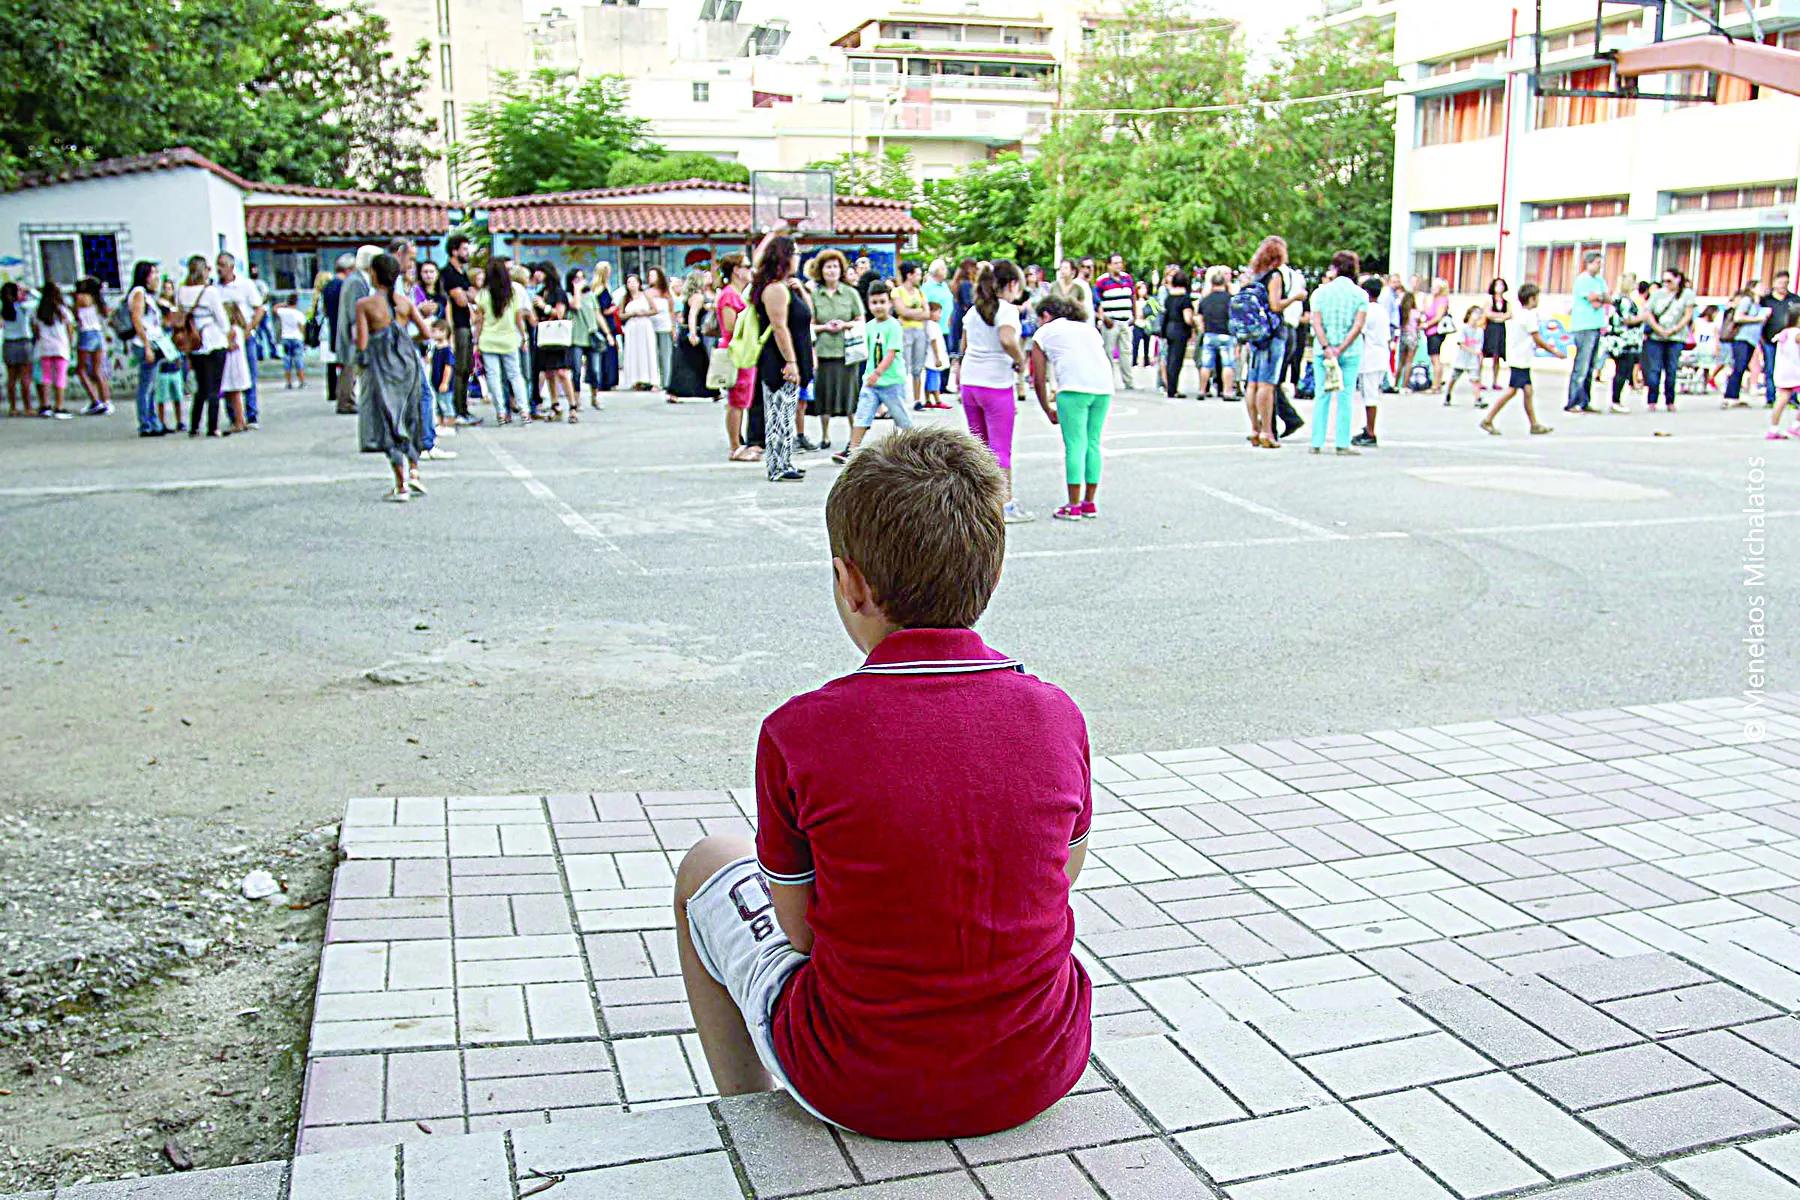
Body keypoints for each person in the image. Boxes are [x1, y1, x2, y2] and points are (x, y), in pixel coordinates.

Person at [672, 424, 1093, 1140]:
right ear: (992, 574)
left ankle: (747, 1111)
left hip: (859, 1083)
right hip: (1038, 1065)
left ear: (851, 582)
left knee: (707, 862)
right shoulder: (1056, 714)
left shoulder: (798, 732)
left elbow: (799, 934)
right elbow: (1060, 876)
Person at [960, 260, 1032, 524]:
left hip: (970, 382)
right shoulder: (1007, 310)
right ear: (1011, 284)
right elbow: (1007, 339)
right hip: (996, 384)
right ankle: (1005, 504)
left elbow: (964, 345)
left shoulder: (973, 311)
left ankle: (981, 502)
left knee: (978, 447)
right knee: (1000, 448)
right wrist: (1020, 360)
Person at [1030, 294, 1113, 521]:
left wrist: (1047, 407)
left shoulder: (1044, 332)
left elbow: (1038, 377)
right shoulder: (1089, 329)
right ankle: (1089, 502)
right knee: (1093, 442)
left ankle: (1073, 504)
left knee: (1075, 444)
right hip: (1104, 387)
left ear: (1045, 315)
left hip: (1073, 389)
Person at [355, 253, 430, 501]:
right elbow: (426, 332)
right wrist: (406, 341)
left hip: (381, 367)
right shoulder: (405, 302)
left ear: (373, 274)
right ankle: (415, 472)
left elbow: (363, 343)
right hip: (407, 364)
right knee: (411, 416)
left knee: (389, 420)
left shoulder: (365, 305)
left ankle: (401, 483)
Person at [751, 233, 811, 483]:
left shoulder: (787, 287)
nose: (798, 258)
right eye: (795, 253)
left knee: (785, 411)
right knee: (778, 412)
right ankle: (777, 464)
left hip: (789, 358)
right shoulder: (774, 289)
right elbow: (779, 327)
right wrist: (791, 361)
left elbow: (808, 317)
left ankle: (784, 460)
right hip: (778, 361)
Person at [832, 283, 910, 465]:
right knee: (862, 415)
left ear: (890, 303)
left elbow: (892, 352)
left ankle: (913, 448)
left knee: (902, 419)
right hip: (871, 383)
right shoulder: (869, 326)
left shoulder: (894, 326)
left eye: (882, 302)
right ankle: (852, 449)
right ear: (868, 304)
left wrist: (878, 372)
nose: (879, 306)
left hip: (891, 381)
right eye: (874, 302)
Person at [1245, 236, 1304, 450]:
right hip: (1273, 332)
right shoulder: (1275, 276)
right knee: (1267, 384)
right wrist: (1295, 298)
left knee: (1252, 383)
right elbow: (1276, 305)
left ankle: (1254, 428)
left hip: (1255, 333)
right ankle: (1267, 432)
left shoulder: (1255, 276)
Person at [1307, 251, 1368, 455]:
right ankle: (1342, 442)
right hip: (1349, 351)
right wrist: (1341, 347)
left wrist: (1326, 346)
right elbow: (1358, 325)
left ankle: (1316, 441)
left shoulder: (1321, 293)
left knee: (1321, 395)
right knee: (1346, 396)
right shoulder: (1360, 294)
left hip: (1322, 351)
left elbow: (1316, 322)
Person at [1481, 282, 1559, 436]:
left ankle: (1534, 424)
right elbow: (1537, 338)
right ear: (1531, 299)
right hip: (1521, 360)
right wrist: (1554, 352)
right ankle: (1488, 419)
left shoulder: (1518, 313)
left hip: (1520, 357)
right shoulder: (1529, 316)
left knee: (1528, 391)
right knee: (1512, 391)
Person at [807, 250, 863, 449]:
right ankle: (825, 436)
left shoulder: (851, 293)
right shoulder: (814, 295)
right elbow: (810, 324)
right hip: (823, 352)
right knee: (824, 395)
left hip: (847, 352)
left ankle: (854, 439)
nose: (832, 271)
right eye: (828, 267)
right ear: (821, 270)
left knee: (850, 396)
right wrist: (824, 328)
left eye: (835, 266)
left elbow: (860, 319)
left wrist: (844, 325)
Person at [178, 255, 231, 436]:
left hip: (194, 342)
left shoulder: (182, 291)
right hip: (213, 339)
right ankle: (213, 426)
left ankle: (194, 425)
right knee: (215, 387)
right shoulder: (210, 292)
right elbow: (222, 321)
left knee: (201, 386)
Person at [473, 255, 529, 424]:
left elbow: (479, 321)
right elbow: (518, 318)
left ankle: (500, 412)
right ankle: (524, 410)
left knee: (493, 376)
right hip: (509, 339)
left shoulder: (483, 294)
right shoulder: (512, 293)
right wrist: (524, 336)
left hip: (488, 340)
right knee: (515, 375)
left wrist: (476, 341)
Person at [717, 253, 758, 461]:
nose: (749, 270)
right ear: (736, 269)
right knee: (735, 400)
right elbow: (730, 326)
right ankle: (735, 446)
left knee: (741, 400)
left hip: (744, 349)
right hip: (736, 350)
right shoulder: (729, 295)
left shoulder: (738, 294)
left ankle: (738, 443)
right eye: (746, 266)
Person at [216, 252, 260, 431]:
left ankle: (251, 413)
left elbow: (259, 309)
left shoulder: (245, 286)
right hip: (226, 337)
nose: (219, 269)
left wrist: (249, 329)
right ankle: (234, 415)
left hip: (244, 335)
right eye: (218, 265)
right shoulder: (215, 289)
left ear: (232, 267)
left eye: (223, 265)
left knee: (249, 374)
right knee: (228, 377)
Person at [1643, 268, 1695, 413]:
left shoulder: (1687, 294)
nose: (1666, 284)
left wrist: (1675, 329)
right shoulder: (1657, 294)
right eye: (1664, 281)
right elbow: (1647, 312)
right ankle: (1652, 400)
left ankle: (1670, 400)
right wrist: (1658, 328)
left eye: (1669, 281)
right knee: (1654, 369)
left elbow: (1687, 314)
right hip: (1656, 336)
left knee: (1671, 369)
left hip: (1676, 337)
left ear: (1678, 279)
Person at [122, 262, 165, 436]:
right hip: (143, 343)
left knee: (152, 385)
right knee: (146, 386)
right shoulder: (139, 293)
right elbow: (137, 320)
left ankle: (153, 421)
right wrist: (147, 345)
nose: (155, 277)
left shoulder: (147, 294)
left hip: (152, 341)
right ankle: (146, 423)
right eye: (152, 273)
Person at [1563, 251, 1609, 413]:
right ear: (1588, 263)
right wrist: (1598, 298)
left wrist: (1600, 298)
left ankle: (1585, 400)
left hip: (1596, 325)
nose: (1599, 266)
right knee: (1581, 365)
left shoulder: (1600, 281)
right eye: (1597, 262)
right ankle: (1573, 401)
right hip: (1583, 325)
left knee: (1591, 366)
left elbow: (1606, 297)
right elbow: (1592, 299)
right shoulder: (1583, 280)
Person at [335, 247, 378, 415]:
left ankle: (347, 400)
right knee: (349, 367)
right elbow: (355, 311)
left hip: (349, 329)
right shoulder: (356, 281)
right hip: (351, 332)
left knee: (349, 367)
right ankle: (346, 402)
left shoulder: (355, 279)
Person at [1600, 273, 1646, 414]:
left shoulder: (1619, 299)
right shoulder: (1624, 301)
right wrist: (1643, 317)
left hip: (1624, 340)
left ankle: (1616, 400)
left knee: (1623, 370)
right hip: (1624, 341)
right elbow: (1627, 319)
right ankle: (1616, 400)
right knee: (1622, 370)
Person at [667, 269, 715, 403]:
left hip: (685, 331)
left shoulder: (690, 296)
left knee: (683, 361)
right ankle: (711, 390)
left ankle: (675, 392)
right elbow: (692, 315)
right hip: (692, 331)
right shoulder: (698, 297)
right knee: (700, 361)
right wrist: (693, 334)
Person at [1354, 276, 1390, 448]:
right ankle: (1368, 427)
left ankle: (1370, 431)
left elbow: (1359, 330)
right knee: (1371, 391)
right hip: (1381, 353)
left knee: (1369, 395)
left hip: (1369, 356)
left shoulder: (1367, 310)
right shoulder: (1382, 310)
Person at [31, 281, 74, 420]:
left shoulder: (37, 310)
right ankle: (59, 407)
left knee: (46, 376)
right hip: (60, 347)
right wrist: (70, 343)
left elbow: (35, 330)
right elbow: (70, 329)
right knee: (60, 376)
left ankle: (45, 406)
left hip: (44, 346)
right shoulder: (63, 310)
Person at [892, 261, 931, 412]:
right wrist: (918, 313)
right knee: (904, 365)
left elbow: (927, 313)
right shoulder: (897, 291)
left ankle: (917, 399)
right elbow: (902, 311)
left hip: (920, 331)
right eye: (918, 274)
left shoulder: (920, 292)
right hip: (905, 331)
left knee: (918, 366)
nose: (920, 277)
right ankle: (901, 399)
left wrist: (912, 313)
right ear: (909, 275)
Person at [1094, 253, 1137, 390]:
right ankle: (1107, 382)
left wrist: (1134, 315)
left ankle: (1128, 381)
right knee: (1108, 352)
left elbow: (1133, 296)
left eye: (1120, 263)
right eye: (1116, 263)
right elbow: (1097, 302)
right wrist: (1104, 318)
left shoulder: (1127, 278)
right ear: (1109, 265)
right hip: (1111, 321)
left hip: (1126, 320)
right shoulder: (1102, 281)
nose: (1119, 265)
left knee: (1127, 352)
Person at [70, 277, 113, 415]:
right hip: (98, 333)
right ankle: (106, 401)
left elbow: (76, 316)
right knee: (97, 369)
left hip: (86, 333)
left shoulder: (80, 297)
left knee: (81, 369)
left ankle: (95, 401)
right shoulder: (98, 300)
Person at [1722, 284, 1769, 409]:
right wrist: (1758, 319)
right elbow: (1738, 317)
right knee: (1739, 365)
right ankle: (1729, 396)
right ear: (1752, 288)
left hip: (1752, 339)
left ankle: (1735, 396)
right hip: (1742, 338)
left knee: (1742, 368)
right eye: (1760, 286)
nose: (1763, 289)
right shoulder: (1746, 300)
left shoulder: (1758, 304)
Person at [1760, 271, 1800, 408]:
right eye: (1780, 283)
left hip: (1792, 341)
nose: (1783, 286)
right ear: (1774, 283)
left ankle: (1792, 398)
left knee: (1793, 369)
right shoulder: (1766, 300)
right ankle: (1771, 398)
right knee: (1770, 368)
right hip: (1770, 340)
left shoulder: (1794, 299)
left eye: (1786, 283)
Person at [1195, 268, 1234, 400]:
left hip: (1210, 333)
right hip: (1226, 334)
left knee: (1206, 364)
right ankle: (1227, 391)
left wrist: (1203, 329)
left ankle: (1202, 390)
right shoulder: (1230, 300)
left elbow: (1199, 317)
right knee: (1227, 364)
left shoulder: (1205, 300)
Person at [1764, 308, 1800, 437]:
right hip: (1796, 371)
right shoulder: (1797, 333)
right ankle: (1796, 425)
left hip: (1783, 370)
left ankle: (1773, 428)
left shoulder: (1784, 333)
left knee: (1782, 399)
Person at [1444, 306, 1486, 406]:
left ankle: (1478, 398)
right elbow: (1461, 343)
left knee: (1475, 379)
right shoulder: (1464, 329)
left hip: (1472, 360)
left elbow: (1479, 346)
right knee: (1454, 378)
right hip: (1462, 359)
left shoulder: (1480, 331)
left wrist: (1479, 356)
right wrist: (1472, 351)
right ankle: (1448, 394)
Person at [3, 282, 33, 417]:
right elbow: (38, 300)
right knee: (25, 378)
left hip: (9, 343)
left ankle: (13, 407)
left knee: (11, 379)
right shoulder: (24, 307)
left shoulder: (4, 308)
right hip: (24, 342)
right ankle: (28, 407)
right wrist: (29, 291)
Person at [646, 266, 676, 389]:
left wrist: (673, 328)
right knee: (653, 354)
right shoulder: (647, 293)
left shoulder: (666, 293)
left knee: (666, 355)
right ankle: (654, 381)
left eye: (653, 275)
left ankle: (667, 381)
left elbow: (671, 311)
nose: (650, 278)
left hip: (665, 325)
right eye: (649, 275)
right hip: (651, 326)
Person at [1482, 278, 1512, 391]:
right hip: (1490, 328)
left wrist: (1498, 317)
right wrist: (1500, 316)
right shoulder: (1489, 300)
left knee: (1497, 355)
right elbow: (1488, 314)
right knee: (1483, 354)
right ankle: (1479, 380)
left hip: (1500, 329)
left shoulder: (1506, 302)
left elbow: (1509, 314)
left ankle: (1495, 381)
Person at [274, 295, 307, 389]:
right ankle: (302, 381)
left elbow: (275, 308)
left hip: (286, 337)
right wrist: (304, 340)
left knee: (287, 361)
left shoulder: (283, 312)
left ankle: (289, 382)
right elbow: (302, 327)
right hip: (296, 338)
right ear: (296, 303)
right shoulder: (298, 314)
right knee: (298, 361)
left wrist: (284, 304)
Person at [429, 319, 456, 430]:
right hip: (435, 382)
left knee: (446, 405)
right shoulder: (435, 348)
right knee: (438, 406)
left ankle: (449, 425)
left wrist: (445, 382)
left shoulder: (447, 350)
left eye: (434, 331)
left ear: (444, 332)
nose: (432, 333)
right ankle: (440, 425)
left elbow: (448, 367)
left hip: (444, 383)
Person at [923, 301, 950, 407]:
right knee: (934, 380)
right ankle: (938, 400)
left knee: (929, 380)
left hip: (931, 358)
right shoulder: (932, 326)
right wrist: (937, 358)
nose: (940, 315)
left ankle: (928, 400)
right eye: (938, 312)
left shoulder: (930, 325)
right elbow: (934, 342)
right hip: (933, 358)